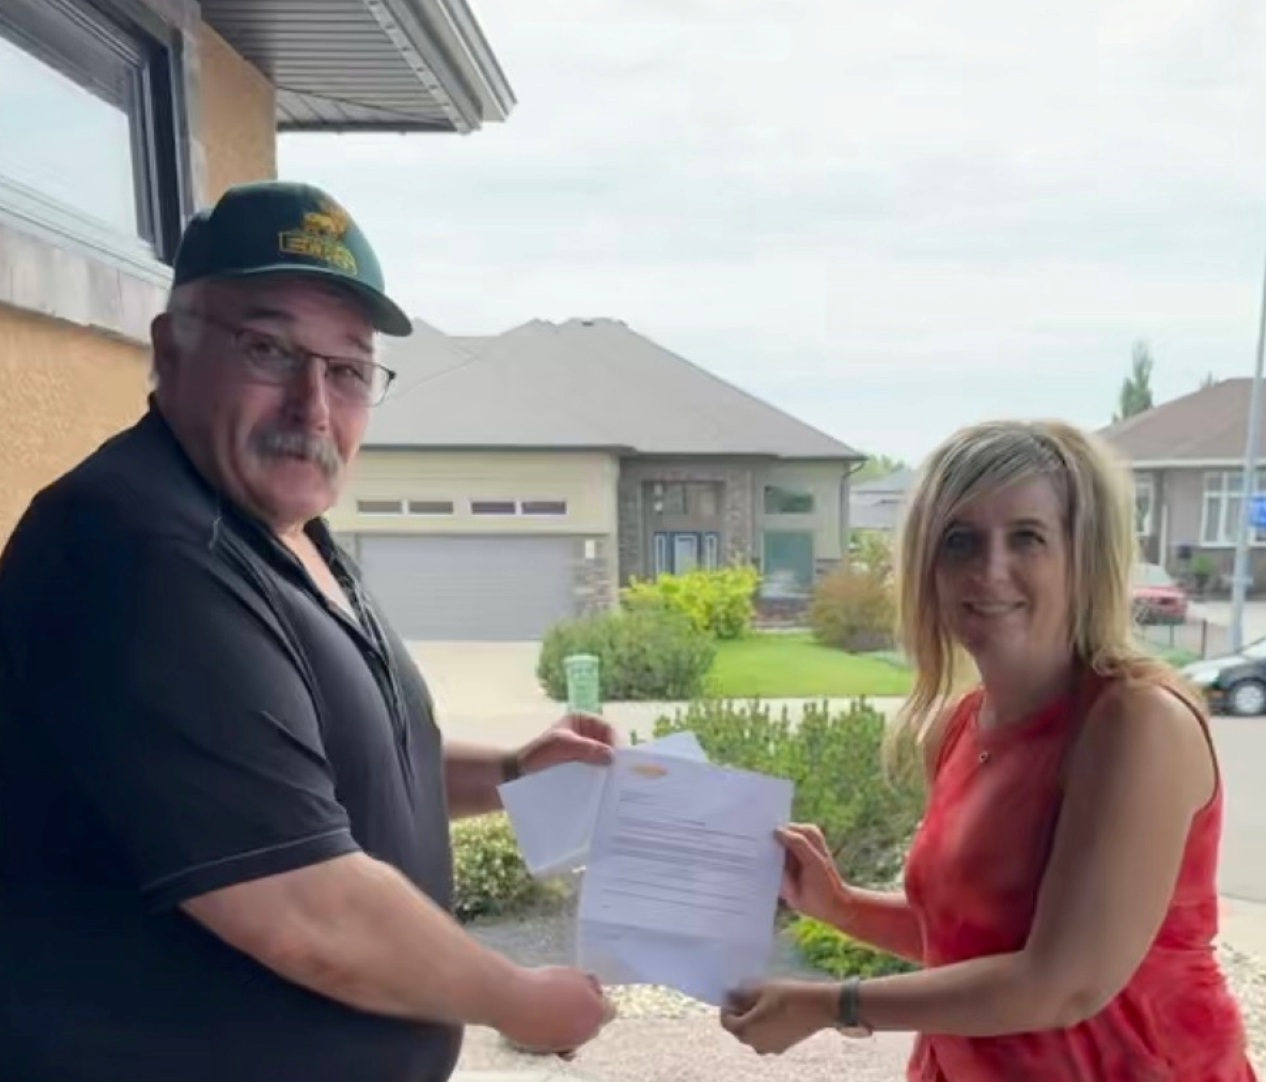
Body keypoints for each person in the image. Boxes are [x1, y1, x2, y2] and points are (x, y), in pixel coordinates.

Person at [0, 180, 616, 1082]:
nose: (313, 406)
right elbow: (301, 907)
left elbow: (293, 772)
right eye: (269, 349)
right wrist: (517, 996)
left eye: (348, 370)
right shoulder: (141, 550)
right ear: (170, 349)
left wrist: (513, 774)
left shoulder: (279, 530)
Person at [720, 419, 1257, 1080]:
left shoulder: (1135, 723)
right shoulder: (958, 725)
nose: (988, 569)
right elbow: (971, 939)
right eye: (959, 540)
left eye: (1027, 537)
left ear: (1082, 557)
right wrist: (840, 906)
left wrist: (836, 1003)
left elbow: (1062, 982)